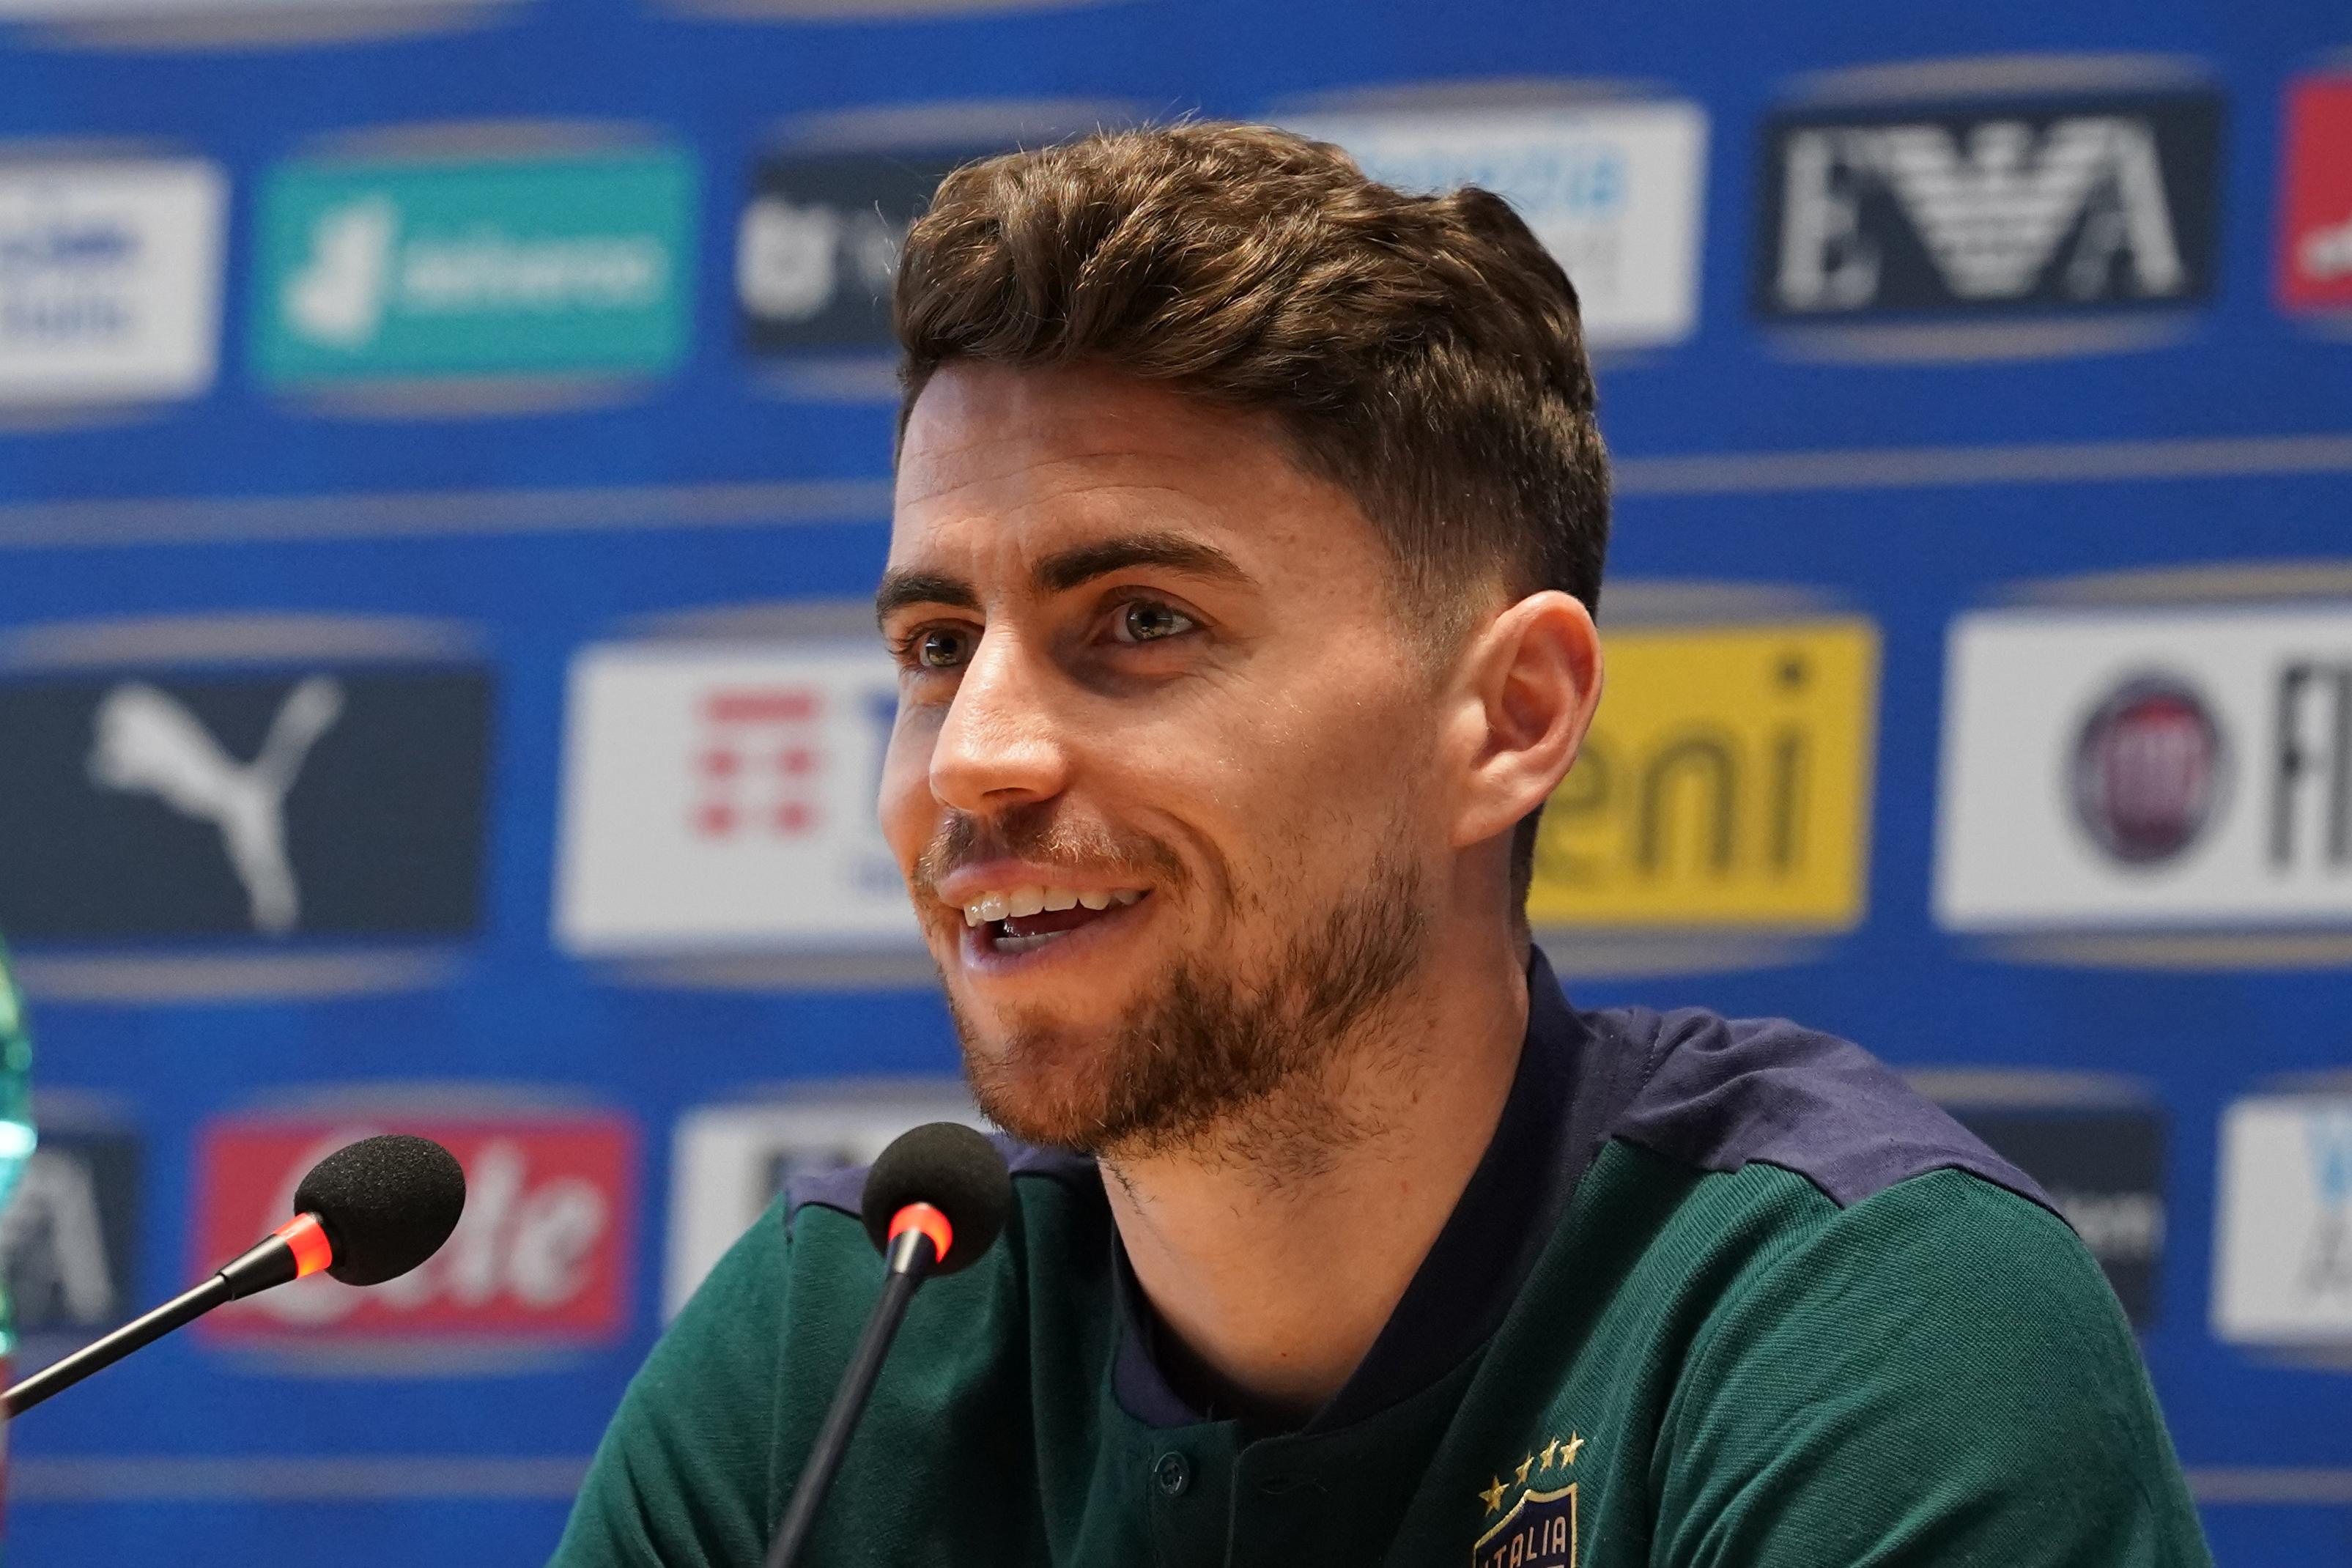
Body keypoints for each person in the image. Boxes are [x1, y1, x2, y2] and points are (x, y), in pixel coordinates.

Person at [552, 122, 2210, 1567]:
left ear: (1510, 715)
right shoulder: (835, 1350)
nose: (975, 753)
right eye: (933, 645)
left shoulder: (1859, 1323)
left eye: (1139, 619)